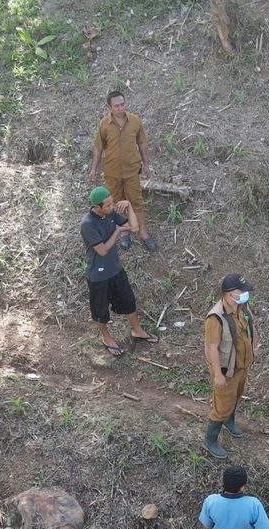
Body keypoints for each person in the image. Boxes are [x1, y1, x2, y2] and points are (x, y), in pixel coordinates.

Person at [80, 186, 160, 356]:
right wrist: (117, 231)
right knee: (101, 312)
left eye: (112, 203)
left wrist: (130, 206)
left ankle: (137, 330)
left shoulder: (110, 214)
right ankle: (106, 337)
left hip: (115, 270)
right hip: (98, 276)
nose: (112, 206)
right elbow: (102, 250)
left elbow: (134, 228)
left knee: (129, 301)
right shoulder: (88, 224)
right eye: (108, 205)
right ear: (97, 207)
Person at [88, 90, 157, 251]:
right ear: (109, 107)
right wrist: (94, 169)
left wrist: (146, 165)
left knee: (136, 201)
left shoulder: (135, 121)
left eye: (122, 104)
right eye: (116, 106)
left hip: (132, 170)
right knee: (117, 203)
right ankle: (125, 233)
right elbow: (99, 147)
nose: (120, 108)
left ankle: (144, 233)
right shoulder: (104, 124)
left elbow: (142, 143)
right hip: (112, 172)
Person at [203, 274, 257, 459]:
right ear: (229, 294)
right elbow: (212, 348)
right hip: (227, 371)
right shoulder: (215, 318)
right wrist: (218, 375)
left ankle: (229, 420)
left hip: (241, 366)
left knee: (236, 396)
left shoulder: (242, 307)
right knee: (221, 406)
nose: (245, 294)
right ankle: (210, 440)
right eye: (241, 291)